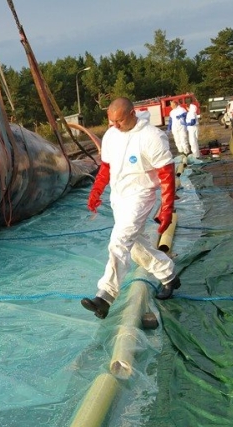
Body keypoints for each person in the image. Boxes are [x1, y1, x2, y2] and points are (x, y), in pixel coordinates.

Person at [81, 97, 180, 319]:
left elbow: (166, 174)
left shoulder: (152, 137)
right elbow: (107, 167)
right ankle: (169, 275)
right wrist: (96, 191)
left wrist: (167, 208)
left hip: (141, 195)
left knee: (119, 240)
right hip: (119, 196)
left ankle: (105, 296)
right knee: (135, 247)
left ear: (132, 114)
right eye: (111, 121)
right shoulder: (111, 135)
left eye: (119, 120)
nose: (114, 125)